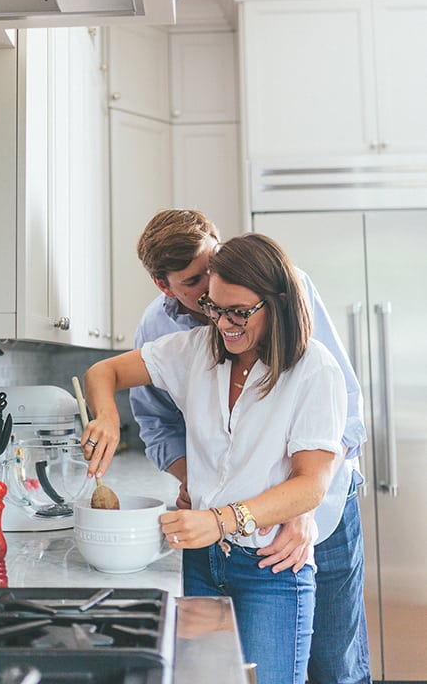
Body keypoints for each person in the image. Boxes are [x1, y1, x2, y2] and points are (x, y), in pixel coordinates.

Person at [81, 232, 348, 684]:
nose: (224, 324)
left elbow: (311, 485)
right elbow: (102, 371)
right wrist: (106, 415)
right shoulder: (194, 351)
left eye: (239, 312)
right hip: (203, 560)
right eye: (214, 308)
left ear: (278, 301)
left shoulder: (314, 370)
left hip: (270, 567)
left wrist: (220, 519)